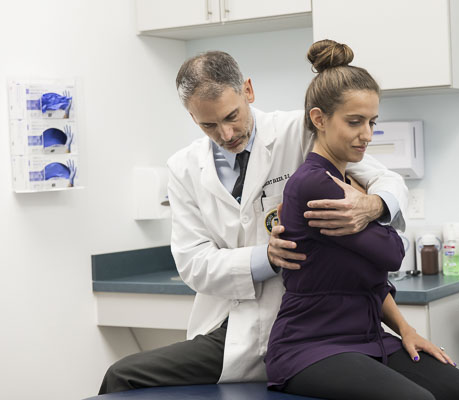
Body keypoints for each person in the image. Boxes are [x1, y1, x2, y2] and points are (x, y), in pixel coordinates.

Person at [98, 50, 408, 393]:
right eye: (209, 125)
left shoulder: (300, 130)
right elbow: (193, 264)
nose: (227, 133)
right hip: (229, 330)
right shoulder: (184, 168)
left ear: (248, 90)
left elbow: (388, 180)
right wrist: (268, 258)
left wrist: (373, 205)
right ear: (192, 117)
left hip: (306, 329)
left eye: (232, 116)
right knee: (121, 376)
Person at [264, 40, 459, 400]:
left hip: (368, 337)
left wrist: (405, 329)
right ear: (319, 119)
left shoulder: (355, 180)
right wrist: (383, 222)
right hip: (310, 346)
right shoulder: (312, 183)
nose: (367, 134)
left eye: (371, 122)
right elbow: (393, 253)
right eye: (354, 122)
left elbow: (369, 276)